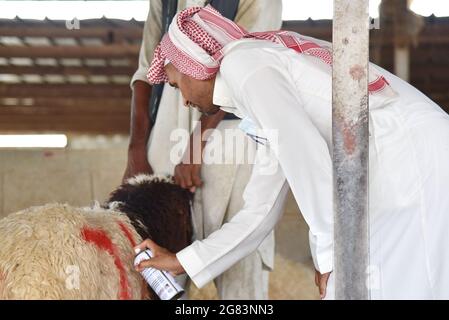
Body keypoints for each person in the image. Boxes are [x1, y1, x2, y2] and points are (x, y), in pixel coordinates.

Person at [134, 5, 449, 300]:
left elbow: (307, 157)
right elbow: (260, 211)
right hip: (406, 159)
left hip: (412, 157)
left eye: (177, 86)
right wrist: (184, 262)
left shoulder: (242, 65)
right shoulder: (255, 89)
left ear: (193, 65)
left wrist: (329, 256)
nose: (185, 102)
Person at [124, 0, 283, 299]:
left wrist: (196, 146)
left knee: (240, 269)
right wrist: (135, 148)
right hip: (166, 134)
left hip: (230, 133)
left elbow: (244, 64)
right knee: (160, 260)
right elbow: (147, 70)